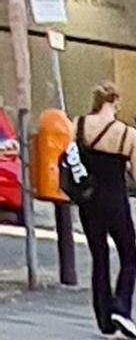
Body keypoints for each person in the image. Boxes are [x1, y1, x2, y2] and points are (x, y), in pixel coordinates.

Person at [73, 87, 136, 332]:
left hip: (89, 200)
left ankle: (104, 320)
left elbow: (72, 158)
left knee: (99, 257)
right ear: (115, 101)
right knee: (129, 255)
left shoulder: (79, 125)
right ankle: (121, 307)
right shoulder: (129, 135)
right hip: (116, 200)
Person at [29, 94, 77, 285]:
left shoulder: (51, 126)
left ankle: (68, 275)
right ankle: (69, 276)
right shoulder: (59, 128)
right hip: (58, 182)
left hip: (53, 179)